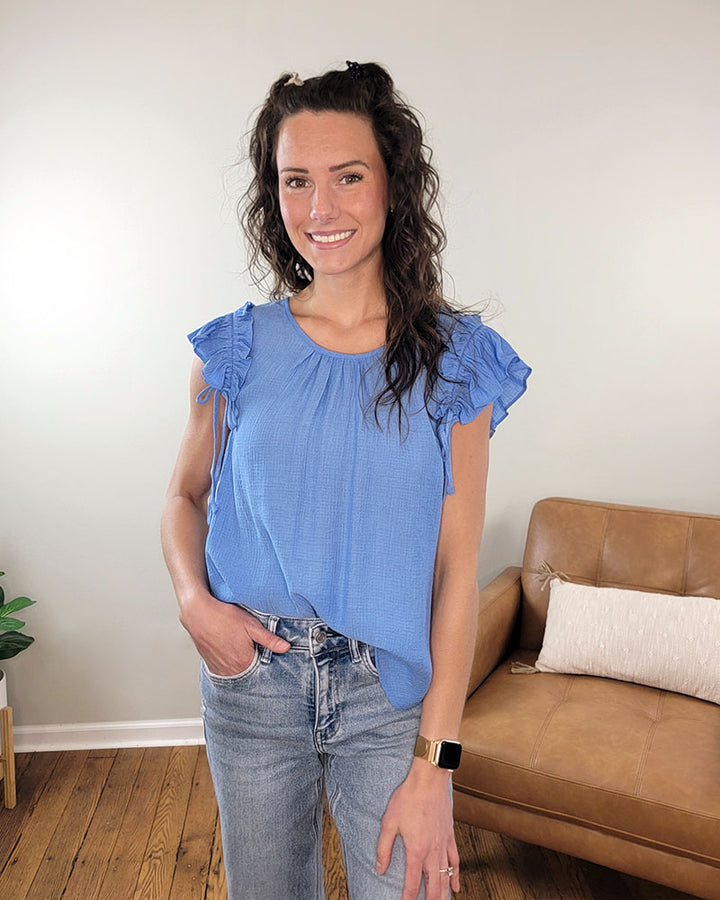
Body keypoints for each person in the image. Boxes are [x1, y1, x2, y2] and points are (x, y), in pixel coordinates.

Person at [161, 60, 530, 900]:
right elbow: (183, 498)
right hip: (252, 681)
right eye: (296, 182)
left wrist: (437, 767)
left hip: (386, 694)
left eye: (348, 177)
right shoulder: (233, 348)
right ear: (273, 194)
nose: (320, 209)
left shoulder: (456, 360)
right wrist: (193, 601)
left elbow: (457, 571)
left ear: (393, 186)